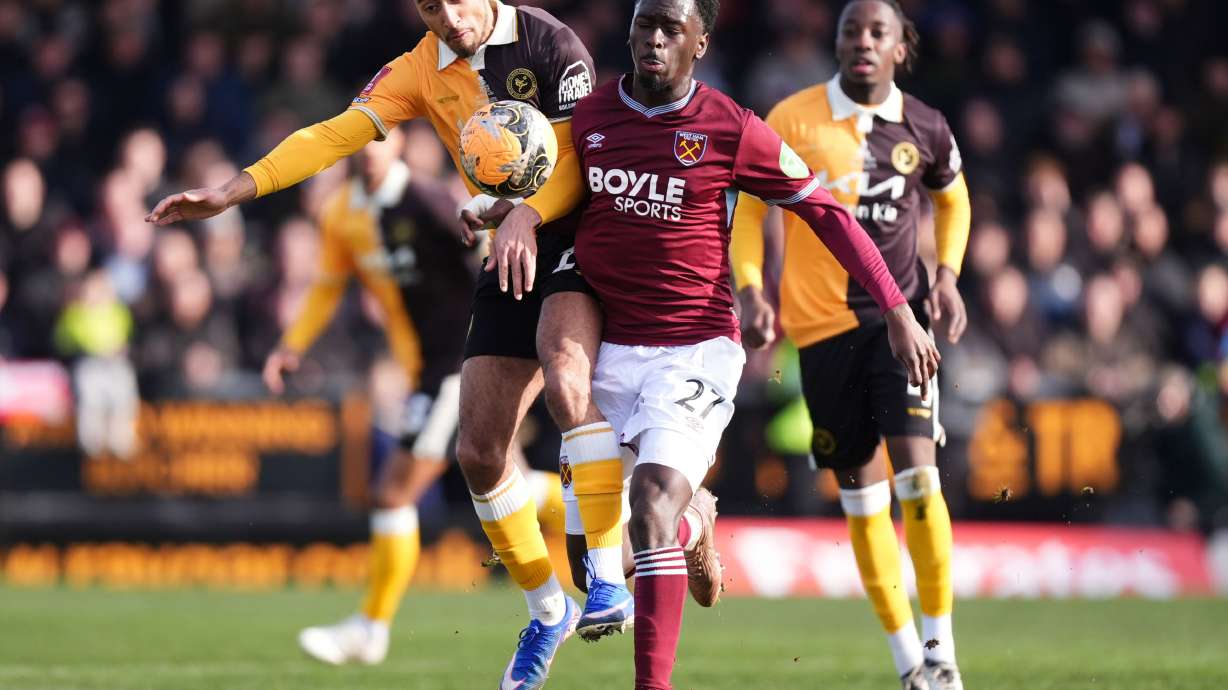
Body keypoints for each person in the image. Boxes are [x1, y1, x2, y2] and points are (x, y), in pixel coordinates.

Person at [142, 3, 712, 687]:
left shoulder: (551, 43)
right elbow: (334, 134)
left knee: (566, 383)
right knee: (477, 456)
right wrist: (235, 190)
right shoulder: (419, 67)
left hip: (583, 243)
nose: (447, 15)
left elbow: (588, 154)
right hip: (511, 250)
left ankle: (612, 581)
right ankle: (557, 605)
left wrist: (520, 211)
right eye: (429, 4)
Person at [489, 0, 938, 687]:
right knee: (596, 558)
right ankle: (696, 528)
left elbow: (826, 213)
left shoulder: (732, 128)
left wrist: (898, 307)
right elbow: (557, 191)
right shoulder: (595, 117)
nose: (656, 40)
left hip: (694, 350)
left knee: (649, 507)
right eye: (646, 25)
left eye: (673, 28)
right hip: (610, 348)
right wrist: (509, 212)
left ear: (700, 42)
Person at [731, 1, 971, 688]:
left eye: (877, 32)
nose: (861, 42)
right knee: (864, 503)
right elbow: (749, 208)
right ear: (835, 43)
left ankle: (941, 654)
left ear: (902, 48)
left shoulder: (925, 126)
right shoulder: (791, 119)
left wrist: (947, 277)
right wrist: (751, 289)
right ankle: (907, 665)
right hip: (822, 333)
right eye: (850, 31)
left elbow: (953, 199)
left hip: (902, 326)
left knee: (920, 481)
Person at [259, 126, 561, 666]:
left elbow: (485, 258)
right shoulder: (340, 214)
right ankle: (593, 499)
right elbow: (328, 285)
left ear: (397, 145)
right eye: (361, 142)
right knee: (494, 481)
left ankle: (371, 628)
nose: (370, 151)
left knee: (395, 491)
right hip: (424, 370)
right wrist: (292, 345)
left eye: (380, 139)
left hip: (459, 364)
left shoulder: (427, 201)